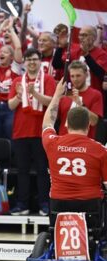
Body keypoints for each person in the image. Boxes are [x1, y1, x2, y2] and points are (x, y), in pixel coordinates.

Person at [41, 79, 107, 228]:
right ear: (88, 125)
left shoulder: (53, 143)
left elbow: (47, 124)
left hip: (59, 206)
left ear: (66, 124)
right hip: (89, 207)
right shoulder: (100, 150)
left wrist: (57, 95)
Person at [8, 48, 55, 216]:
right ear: (25, 63)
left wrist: (34, 93)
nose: (32, 62)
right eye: (28, 60)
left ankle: (44, 204)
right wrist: (20, 96)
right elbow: (10, 105)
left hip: (40, 131)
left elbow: (51, 102)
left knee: (43, 170)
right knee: (22, 171)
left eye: (34, 59)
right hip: (20, 132)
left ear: (40, 61)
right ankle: (22, 204)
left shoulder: (47, 79)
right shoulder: (17, 81)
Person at [57, 61, 103, 140]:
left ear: (86, 75)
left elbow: (94, 121)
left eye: (78, 76)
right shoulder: (64, 95)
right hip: (64, 142)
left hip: (84, 144)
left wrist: (79, 103)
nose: (75, 79)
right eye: (72, 76)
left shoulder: (96, 94)